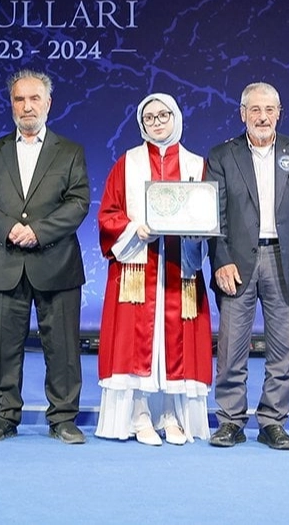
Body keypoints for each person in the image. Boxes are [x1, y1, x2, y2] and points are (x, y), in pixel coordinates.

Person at [0, 69, 89, 444]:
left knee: (63, 349)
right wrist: (9, 229)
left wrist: (38, 231)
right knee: (5, 348)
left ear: (48, 103)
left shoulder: (70, 151)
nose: (27, 106)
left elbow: (78, 203)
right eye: (19, 99)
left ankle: (63, 418)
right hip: (6, 263)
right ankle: (4, 415)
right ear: (11, 104)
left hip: (57, 264)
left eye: (34, 98)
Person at [206, 82, 289, 450]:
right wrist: (221, 261)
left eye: (269, 109)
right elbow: (213, 217)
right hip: (237, 262)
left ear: (279, 113)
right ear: (242, 113)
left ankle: (273, 422)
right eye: (255, 109)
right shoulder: (222, 156)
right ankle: (230, 420)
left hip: (285, 261)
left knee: (283, 350)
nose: (262, 117)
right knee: (230, 349)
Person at [95, 93, 213, 446]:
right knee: (136, 341)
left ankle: (172, 416)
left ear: (176, 117)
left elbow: (210, 213)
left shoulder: (196, 165)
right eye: (150, 118)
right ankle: (140, 415)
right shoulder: (127, 163)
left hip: (180, 269)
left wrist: (198, 227)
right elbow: (107, 214)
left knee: (177, 339)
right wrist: (134, 228)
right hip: (137, 269)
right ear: (141, 124)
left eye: (164, 115)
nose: (157, 122)